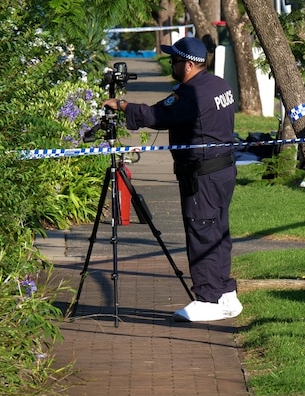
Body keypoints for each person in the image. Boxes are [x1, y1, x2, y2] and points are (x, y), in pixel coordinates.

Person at [103, 36, 242, 322]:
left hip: (202, 175)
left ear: (189, 65)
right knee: (217, 231)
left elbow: (157, 115)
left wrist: (123, 105)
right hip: (222, 171)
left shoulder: (191, 94)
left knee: (202, 231)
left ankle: (208, 298)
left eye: (174, 61)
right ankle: (225, 293)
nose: (171, 65)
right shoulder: (219, 85)